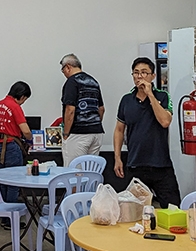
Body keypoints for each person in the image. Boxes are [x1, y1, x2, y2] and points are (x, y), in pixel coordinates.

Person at [112, 57, 181, 208]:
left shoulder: (162, 96)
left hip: (160, 164)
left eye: (144, 72)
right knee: (135, 211)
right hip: (135, 164)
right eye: (136, 73)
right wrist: (117, 158)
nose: (140, 76)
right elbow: (119, 130)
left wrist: (150, 94)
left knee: (173, 208)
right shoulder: (126, 100)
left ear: (152, 76)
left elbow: (165, 121)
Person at [0, 81, 33, 226]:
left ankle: (2, 215)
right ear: (22, 96)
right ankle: (10, 219)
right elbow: (26, 130)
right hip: (11, 147)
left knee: (2, 180)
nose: (23, 102)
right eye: (25, 99)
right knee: (13, 182)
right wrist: (30, 139)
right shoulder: (15, 106)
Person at [59, 53, 105, 166]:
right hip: (97, 133)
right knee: (90, 170)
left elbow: (70, 110)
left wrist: (66, 133)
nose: (63, 73)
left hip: (78, 133)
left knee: (73, 171)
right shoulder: (93, 82)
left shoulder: (71, 82)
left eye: (63, 70)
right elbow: (101, 109)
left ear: (68, 67)